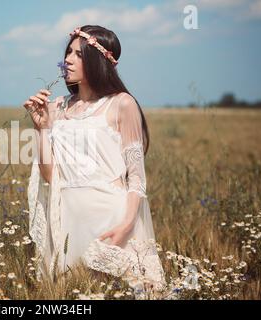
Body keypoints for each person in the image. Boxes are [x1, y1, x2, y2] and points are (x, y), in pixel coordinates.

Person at [23, 25, 166, 293]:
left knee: (122, 292)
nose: (67, 59)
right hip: (68, 222)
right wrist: (41, 128)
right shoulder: (56, 107)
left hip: (110, 221)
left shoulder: (122, 104)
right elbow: (50, 176)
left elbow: (136, 178)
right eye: (68, 52)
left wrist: (126, 226)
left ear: (98, 61)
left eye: (78, 54)